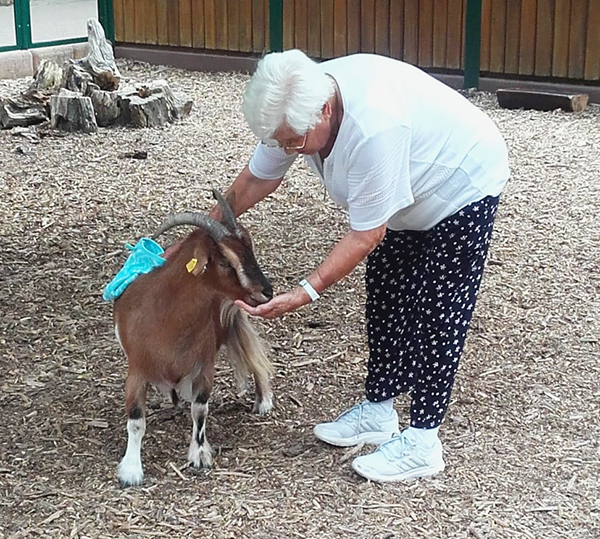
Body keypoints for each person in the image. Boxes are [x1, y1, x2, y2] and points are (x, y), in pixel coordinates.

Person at [216, 49, 509, 483]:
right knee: (387, 294)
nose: (287, 149)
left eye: (292, 141)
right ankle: (378, 411)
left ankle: (423, 441)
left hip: (460, 183)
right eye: (279, 141)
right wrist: (205, 232)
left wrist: (305, 291)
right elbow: (260, 177)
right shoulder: (294, 103)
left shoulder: (374, 128)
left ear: (326, 111)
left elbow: (366, 235)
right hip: (409, 187)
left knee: (438, 312)